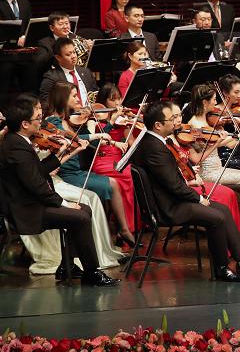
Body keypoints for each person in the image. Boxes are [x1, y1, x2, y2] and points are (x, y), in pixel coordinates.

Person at [132, 100, 240, 281]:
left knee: (223, 209)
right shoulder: (154, 148)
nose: (177, 121)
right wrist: (198, 198)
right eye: (172, 118)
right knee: (216, 218)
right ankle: (221, 268)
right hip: (168, 207)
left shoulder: (155, 142)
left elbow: (171, 179)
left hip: (172, 200)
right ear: (158, 125)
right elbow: (173, 185)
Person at [0, 94, 119, 286]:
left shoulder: (19, 141)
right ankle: (91, 272)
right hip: (27, 210)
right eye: (37, 119)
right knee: (80, 216)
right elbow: (37, 185)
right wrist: (64, 203)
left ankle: (67, 265)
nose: (41, 122)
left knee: (84, 210)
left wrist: (61, 153)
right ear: (24, 124)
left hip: (33, 203)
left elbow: (38, 171)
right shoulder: (16, 147)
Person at [43, 81, 133, 246]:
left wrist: (108, 124)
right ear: (63, 98)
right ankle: (119, 231)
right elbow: (70, 140)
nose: (79, 99)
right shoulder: (52, 122)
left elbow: (95, 144)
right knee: (112, 184)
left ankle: (123, 229)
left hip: (77, 171)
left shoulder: (71, 120)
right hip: (65, 174)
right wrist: (95, 135)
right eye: (74, 96)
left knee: (114, 184)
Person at [186, 83, 240, 239]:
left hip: (218, 168)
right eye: (213, 99)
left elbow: (230, 143)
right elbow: (197, 159)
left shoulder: (210, 122)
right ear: (204, 102)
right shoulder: (194, 125)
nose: (216, 102)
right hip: (208, 173)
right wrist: (219, 142)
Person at [89, 84, 140, 234]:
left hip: (118, 158)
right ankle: (125, 227)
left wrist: (134, 124)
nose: (117, 103)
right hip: (102, 159)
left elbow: (131, 142)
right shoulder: (94, 117)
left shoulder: (121, 119)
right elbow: (94, 143)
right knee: (126, 176)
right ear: (104, 101)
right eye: (113, 100)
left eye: (119, 98)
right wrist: (111, 122)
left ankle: (131, 224)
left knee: (134, 174)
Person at [0, 0, 38, 95]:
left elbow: (30, 25)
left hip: (24, 53)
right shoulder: (1, 4)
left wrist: (25, 36)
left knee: (31, 80)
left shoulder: (24, 3)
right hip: (5, 54)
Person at [39, 37, 99, 103]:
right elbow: (45, 102)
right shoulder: (51, 78)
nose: (73, 56)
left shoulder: (86, 72)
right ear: (58, 57)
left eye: (74, 52)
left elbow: (95, 94)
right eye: (68, 54)